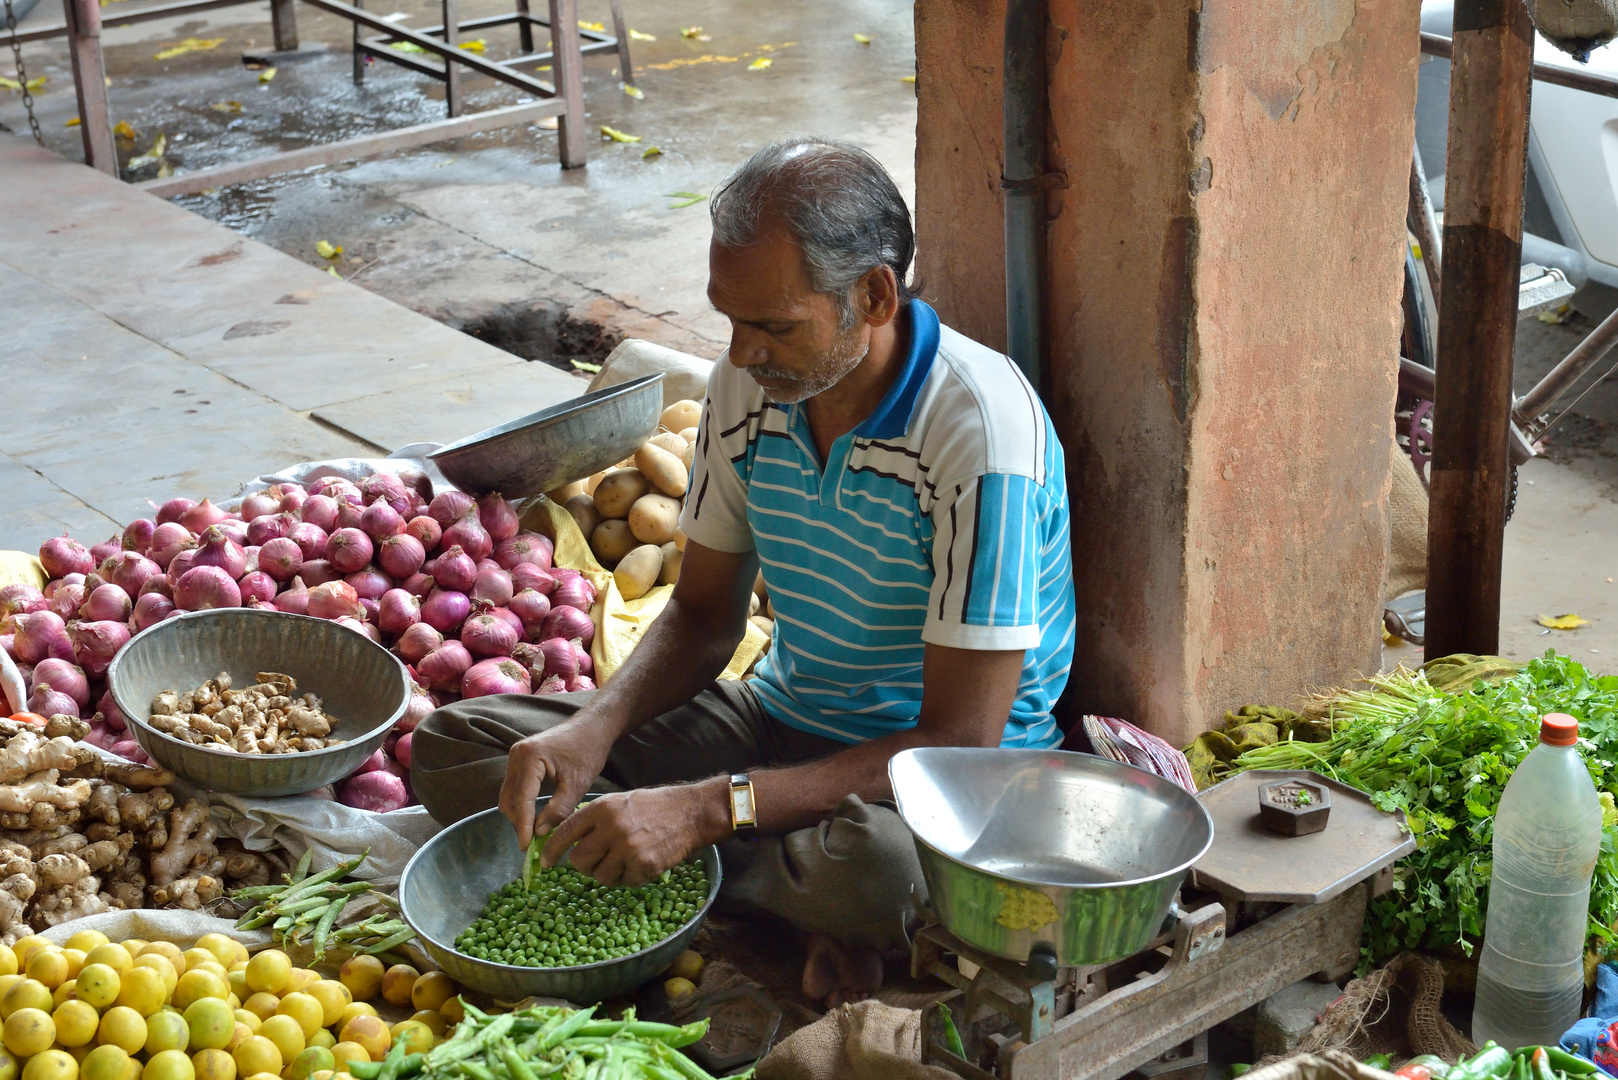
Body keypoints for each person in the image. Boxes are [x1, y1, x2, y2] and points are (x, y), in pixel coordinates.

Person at [412, 135, 1076, 1008]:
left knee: (875, 877)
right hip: (780, 715)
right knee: (466, 747)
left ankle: (706, 874)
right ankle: (752, 891)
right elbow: (701, 615)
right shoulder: (748, 389)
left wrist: (701, 810)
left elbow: (956, 744)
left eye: (773, 325)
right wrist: (598, 728)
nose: (742, 353)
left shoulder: (981, 434)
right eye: (731, 320)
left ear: (873, 295)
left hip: (946, 781)